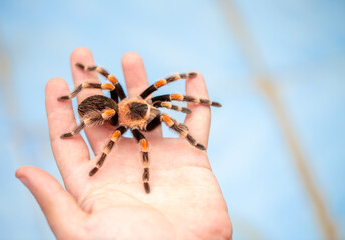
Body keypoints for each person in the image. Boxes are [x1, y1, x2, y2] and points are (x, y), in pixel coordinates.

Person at [15, 48, 232, 240]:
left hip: (117, 109)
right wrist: (93, 153)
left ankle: (201, 106)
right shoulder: (119, 117)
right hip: (112, 113)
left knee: (156, 90)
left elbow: (162, 92)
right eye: (150, 111)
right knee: (112, 87)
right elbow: (110, 94)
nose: (152, 112)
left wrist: (190, 92)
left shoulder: (147, 103)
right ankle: (107, 157)